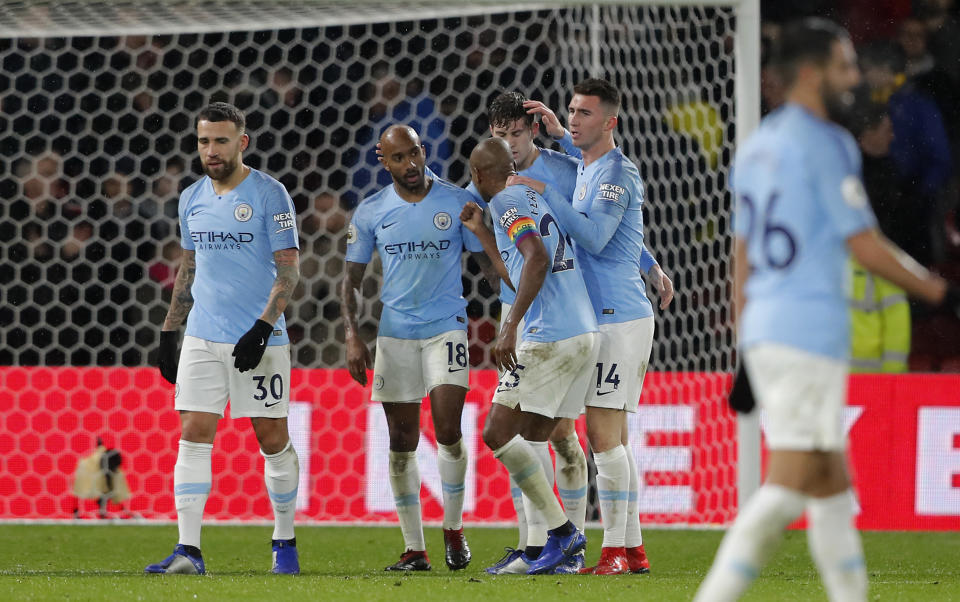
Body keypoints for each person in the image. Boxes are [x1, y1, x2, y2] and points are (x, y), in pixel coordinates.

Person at [694, 19, 959, 601]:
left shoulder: (757, 147)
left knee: (833, 486)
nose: (854, 77)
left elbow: (741, 261)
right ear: (811, 74)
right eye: (843, 66)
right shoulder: (829, 143)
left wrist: (745, 346)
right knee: (787, 487)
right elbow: (863, 242)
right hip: (808, 332)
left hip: (770, 330)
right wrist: (942, 293)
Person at [516, 78, 674, 575]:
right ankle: (632, 549)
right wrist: (650, 263)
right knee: (613, 439)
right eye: (571, 110)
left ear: (611, 121)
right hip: (608, 316)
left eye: (585, 113)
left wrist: (542, 191)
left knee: (604, 439)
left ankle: (613, 552)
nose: (575, 119)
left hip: (618, 319)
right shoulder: (589, 167)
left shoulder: (614, 174)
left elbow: (597, 236)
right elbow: (624, 232)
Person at [146, 102, 302, 576]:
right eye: (203, 141)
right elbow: (189, 267)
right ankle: (188, 551)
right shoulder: (191, 197)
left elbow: (289, 270)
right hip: (202, 336)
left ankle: (284, 542)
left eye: (220, 140)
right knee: (192, 435)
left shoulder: (270, 194)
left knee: (271, 438)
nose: (210, 150)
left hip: (259, 340)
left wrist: (263, 325)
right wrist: (170, 330)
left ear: (242, 143)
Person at [341, 125, 500, 572]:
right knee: (401, 442)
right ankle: (414, 548)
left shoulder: (454, 202)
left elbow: (487, 267)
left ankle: (453, 529)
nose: (410, 165)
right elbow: (349, 282)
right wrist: (353, 335)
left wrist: (517, 309)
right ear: (382, 160)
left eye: (414, 154)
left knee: (448, 430)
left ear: (423, 151)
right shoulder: (372, 212)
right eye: (399, 158)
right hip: (395, 336)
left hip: (447, 329)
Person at [463, 91, 591, 575]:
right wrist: (482, 236)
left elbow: (536, 259)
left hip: (548, 331)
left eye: (515, 132)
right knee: (538, 434)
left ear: (478, 176)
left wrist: (509, 326)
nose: (511, 142)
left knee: (498, 432)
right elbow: (523, 268)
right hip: (582, 328)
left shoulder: (511, 197)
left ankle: (562, 536)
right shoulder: (528, 195)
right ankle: (541, 549)